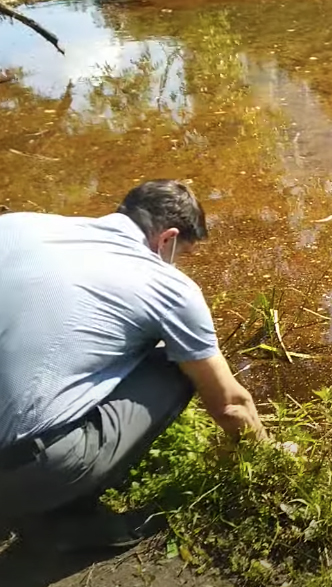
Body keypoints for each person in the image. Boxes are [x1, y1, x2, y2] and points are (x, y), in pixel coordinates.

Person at [0, 180, 268, 552]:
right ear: (168, 239)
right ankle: (63, 520)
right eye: (183, 253)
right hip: (18, 475)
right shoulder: (169, 288)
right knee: (176, 365)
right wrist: (270, 458)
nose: (178, 262)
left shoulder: (16, 226)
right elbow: (230, 405)